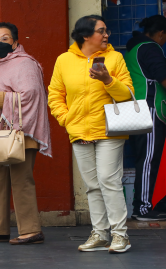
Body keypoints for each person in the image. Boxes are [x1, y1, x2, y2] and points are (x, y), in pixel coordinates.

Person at [48, 15, 133, 253]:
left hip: (109, 130)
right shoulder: (64, 60)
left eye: (106, 31)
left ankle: (120, 235)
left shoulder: (115, 58)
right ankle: (100, 234)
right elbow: (55, 94)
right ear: (86, 35)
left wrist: (108, 80)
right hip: (78, 130)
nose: (106, 35)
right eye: (101, 31)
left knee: (109, 181)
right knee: (92, 185)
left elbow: (127, 93)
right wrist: (67, 120)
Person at [0, 22, 51, 245]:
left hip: (22, 131)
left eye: (5, 38)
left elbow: (31, 95)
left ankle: (31, 230)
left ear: (16, 42)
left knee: (21, 179)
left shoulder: (25, 64)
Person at [124, 15, 166, 221]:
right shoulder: (150, 48)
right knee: (149, 159)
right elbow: (163, 77)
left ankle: (150, 204)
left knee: (146, 158)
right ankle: (142, 207)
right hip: (149, 109)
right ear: (160, 34)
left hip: (137, 108)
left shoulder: (133, 47)